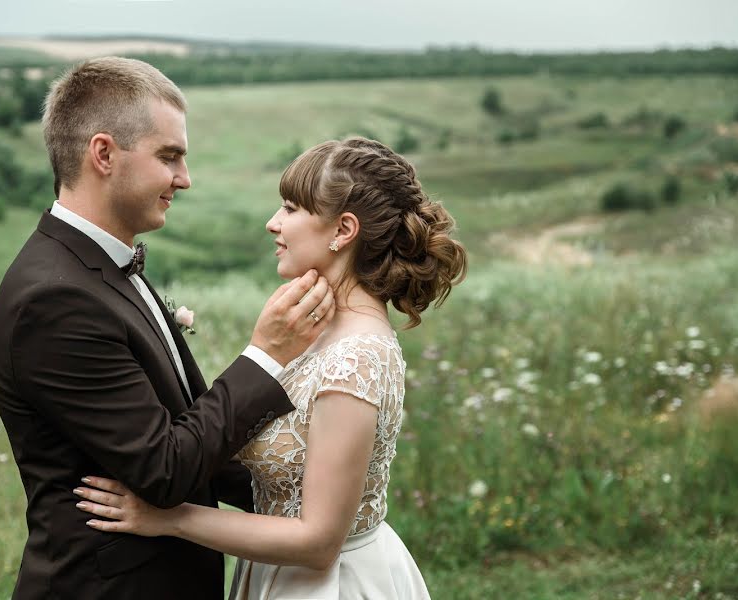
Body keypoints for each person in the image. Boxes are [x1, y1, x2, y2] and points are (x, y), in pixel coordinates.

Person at [0, 56, 336, 599]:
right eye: (169, 157)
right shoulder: (52, 301)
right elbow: (166, 470)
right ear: (103, 154)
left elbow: (190, 424)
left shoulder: (104, 265)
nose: (185, 179)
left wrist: (306, 503)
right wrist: (266, 354)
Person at [74, 136, 468, 599]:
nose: (272, 223)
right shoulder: (310, 330)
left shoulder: (357, 357)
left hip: (331, 584)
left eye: (290, 208)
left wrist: (169, 518)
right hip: (277, 574)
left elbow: (319, 542)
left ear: (343, 230)